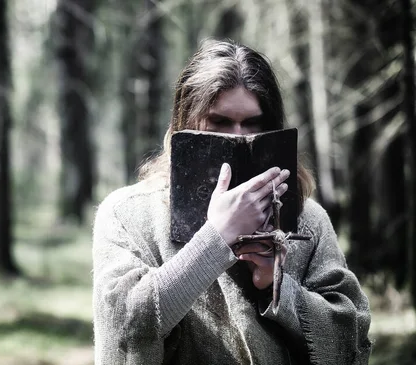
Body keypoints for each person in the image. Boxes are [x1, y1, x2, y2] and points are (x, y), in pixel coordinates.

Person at [91, 39, 372, 364]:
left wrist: (277, 286)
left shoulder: (308, 219)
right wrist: (215, 240)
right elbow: (124, 325)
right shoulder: (128, 213)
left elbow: (350, 336)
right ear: (187, 123)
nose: (238, 137)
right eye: (220, 122)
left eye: (252, 123)